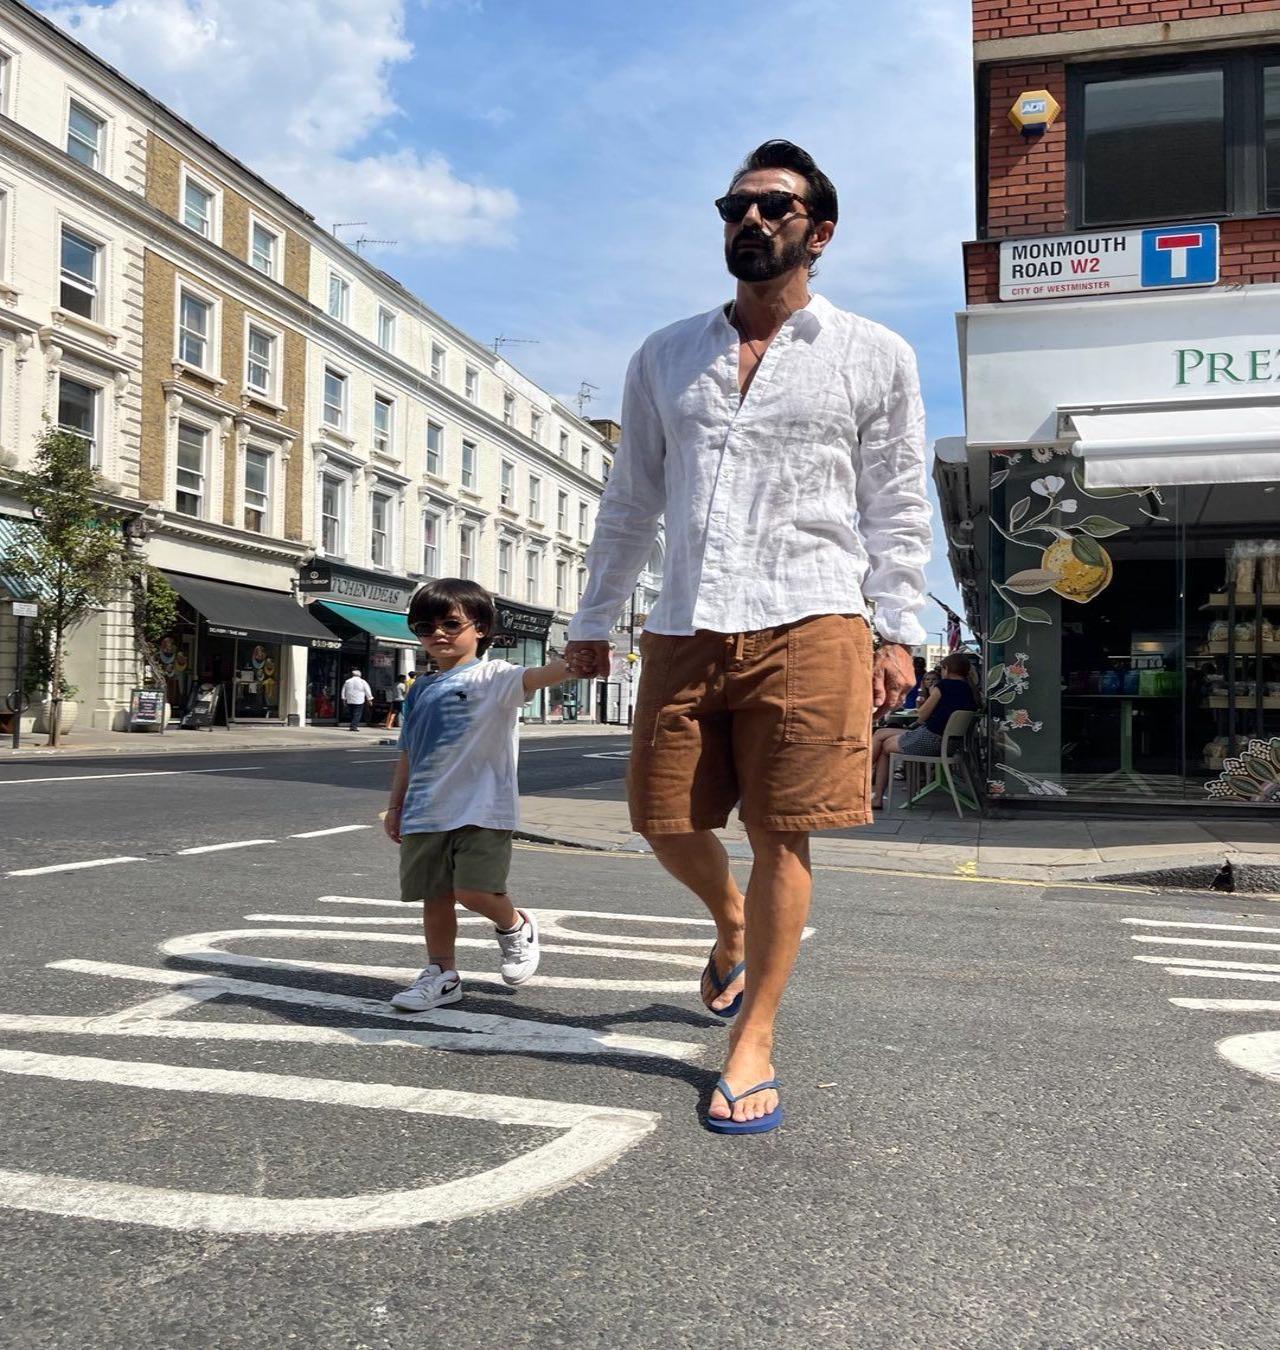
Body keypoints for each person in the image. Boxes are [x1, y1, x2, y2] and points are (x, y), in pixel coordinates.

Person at [564, 139, 931, 1134]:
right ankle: (728, 922)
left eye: (773, 206)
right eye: (733, 206)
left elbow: (896, 503)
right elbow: (628, 498)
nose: (749, 221)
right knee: (658, 815)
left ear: (819, 229)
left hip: (813, 616)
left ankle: (754, 1035)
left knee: (782, 830)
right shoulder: (664, 355)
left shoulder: (873, 355)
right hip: (685, 618)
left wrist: (898, 630)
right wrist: (594, 618)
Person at [384, 578, 571, 1012]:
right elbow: (408, 751)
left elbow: (547, 675)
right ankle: (442, 974)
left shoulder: (496, 677)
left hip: (482, 807)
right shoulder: (420, 689)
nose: (438, 634)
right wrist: (396, 805)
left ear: (481, 628)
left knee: (473, 890)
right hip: (426, 808)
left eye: (451, 623)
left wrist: (580, 656)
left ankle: (515, 926)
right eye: (424, 627)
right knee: (435, 896)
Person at [870, 652, 978, 811]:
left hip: (931, 740)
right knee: (881, 735)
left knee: (883, 741)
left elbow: (921, 716)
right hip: (949, 744)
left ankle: (868, 788)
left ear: (946, 669)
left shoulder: (944, 686)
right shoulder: (970, 690)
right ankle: (871, 791)